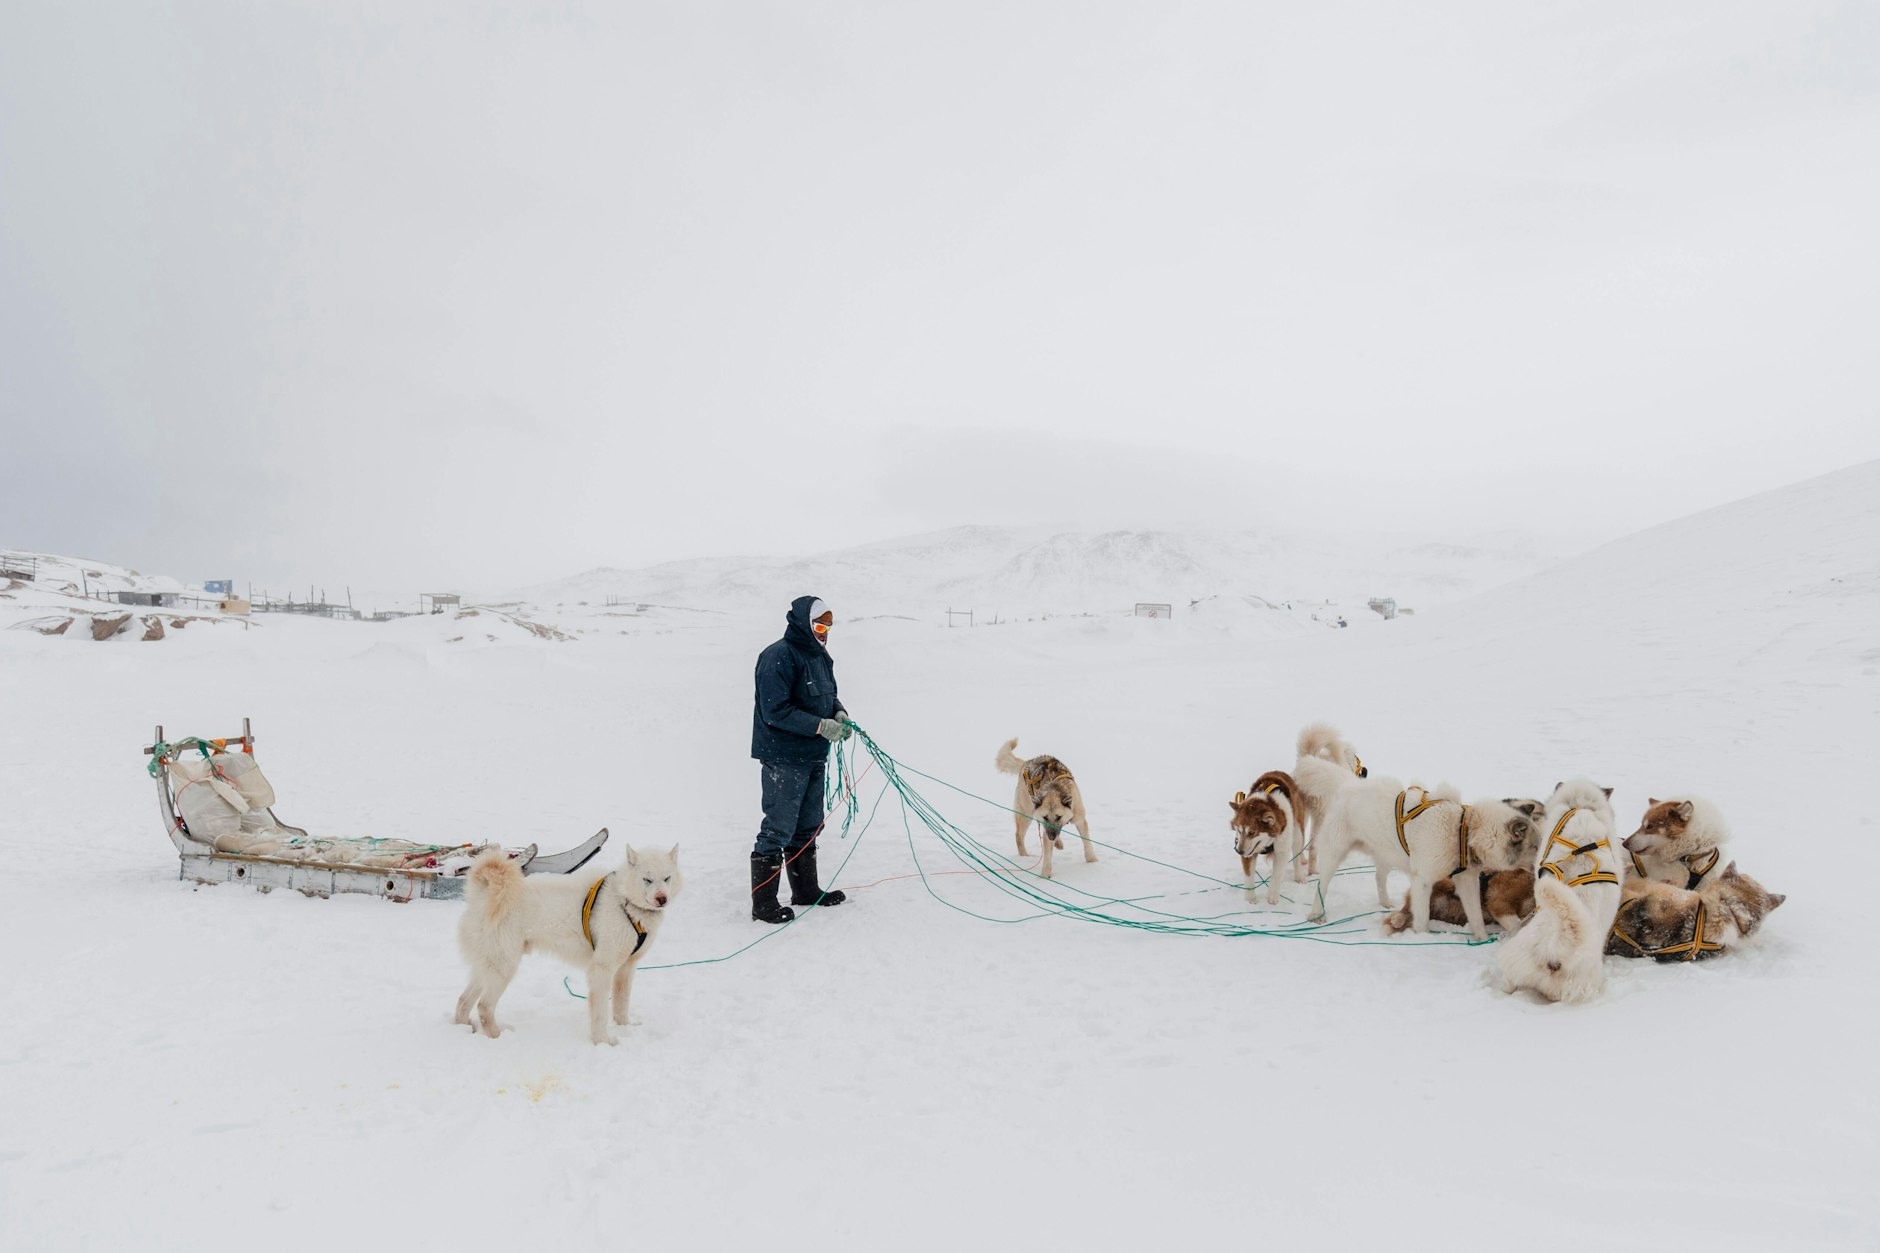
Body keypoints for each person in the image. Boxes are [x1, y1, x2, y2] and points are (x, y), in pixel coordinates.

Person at [749, 595, 854, 923]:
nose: (824, 631)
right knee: (779, 826)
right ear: (803, 623)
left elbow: (828, 693)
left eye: (828, 626)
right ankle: (763, 904)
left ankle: (805, 891)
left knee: (809, 824)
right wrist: (821, 725)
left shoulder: (820, 656)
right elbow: (774, 710)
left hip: (813, 755)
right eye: (819, 625)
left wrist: (839, 712)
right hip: (784, 756)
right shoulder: (778, 656)